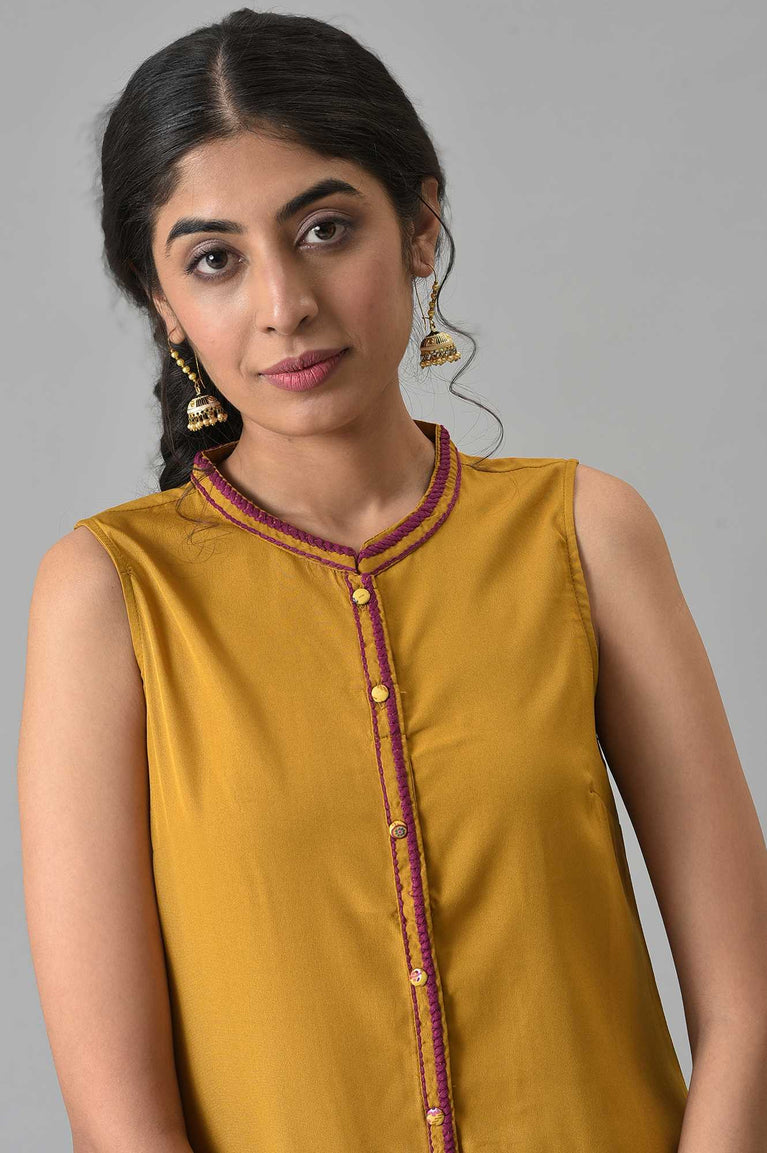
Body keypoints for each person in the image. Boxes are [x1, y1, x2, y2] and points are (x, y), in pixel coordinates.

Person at [17, 9, 767, 1153]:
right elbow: (119, 1122)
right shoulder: (110, 595)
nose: (284, 303)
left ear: (420, 226)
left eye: (324, 229)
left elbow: (745, 1004)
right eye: (215, 259)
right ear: (161, 301)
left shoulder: (583, 534)